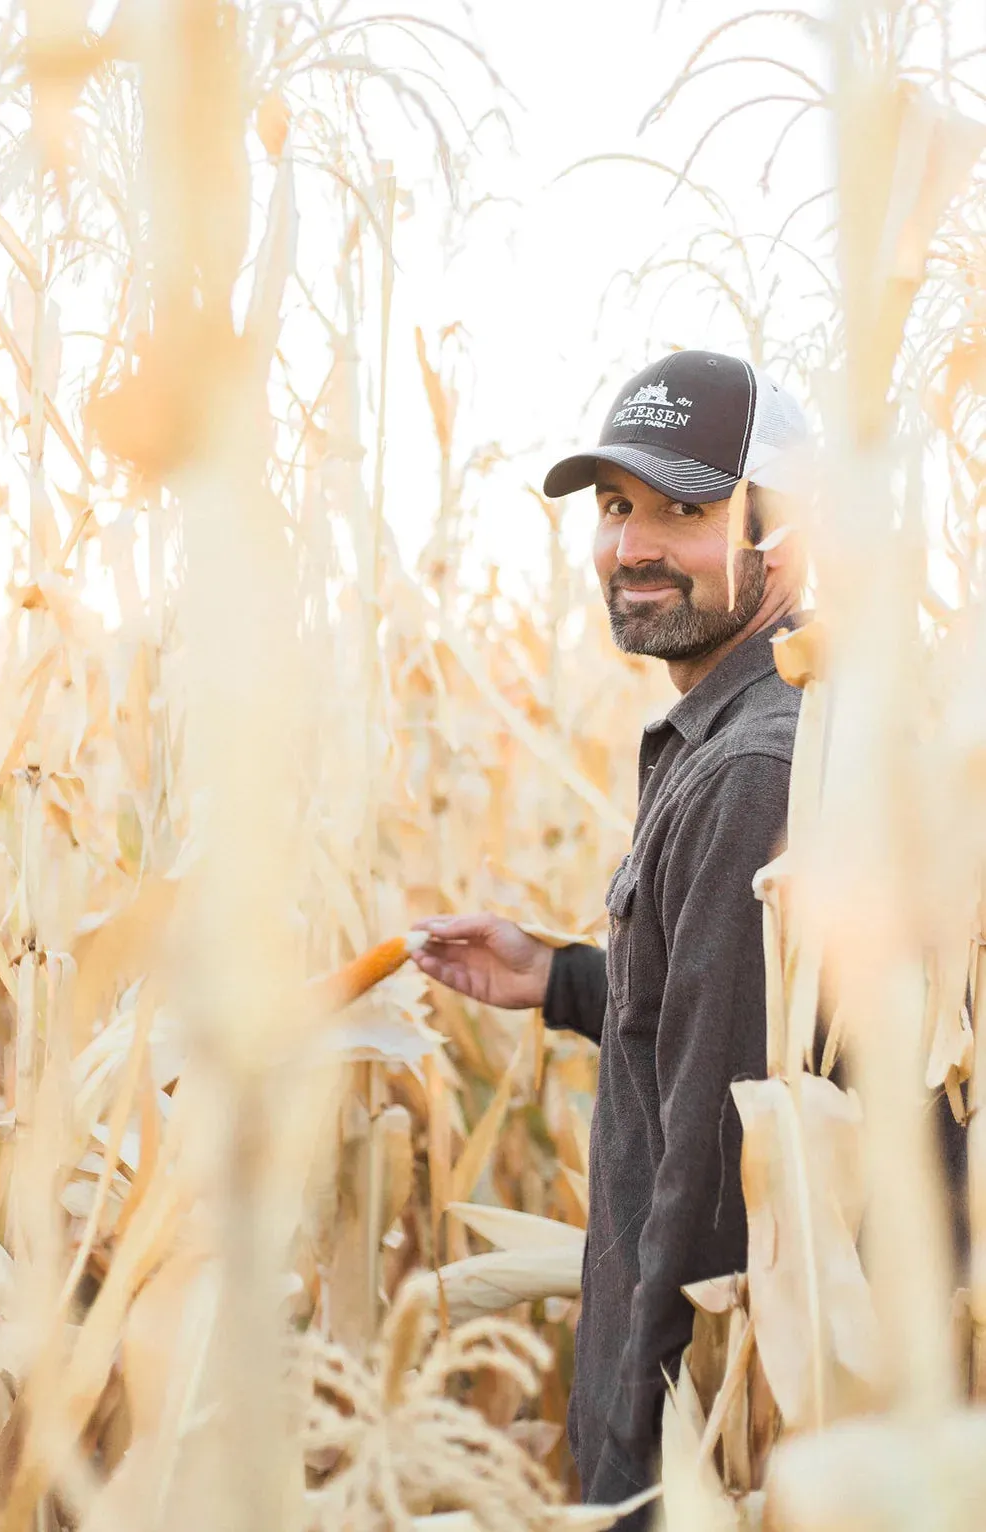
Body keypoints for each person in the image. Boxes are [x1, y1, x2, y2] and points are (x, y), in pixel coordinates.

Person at [411, 349, 810, 1525]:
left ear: (779, 537)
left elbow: (717, 1162)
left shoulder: (755, 767)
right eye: (615, 506)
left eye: (684, 510)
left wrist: (635, 1468)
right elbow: (737, 1016)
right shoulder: (734, 735)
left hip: (713, 1443)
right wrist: (563, 980)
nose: (631, 545)